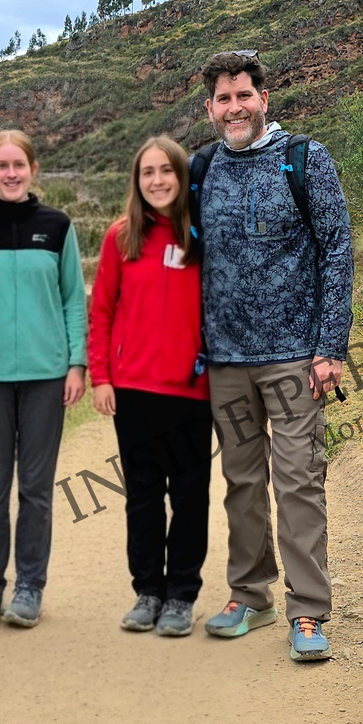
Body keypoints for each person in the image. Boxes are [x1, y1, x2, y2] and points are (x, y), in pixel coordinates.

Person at [191, 50, 354, 662]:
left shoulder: (304, 159)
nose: (234, 108)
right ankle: (250, 595)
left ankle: (308, 609)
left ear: (264, 99)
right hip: (226, 360)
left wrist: (329, 347)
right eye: (223, 99)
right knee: (241, 482)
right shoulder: (202, 168)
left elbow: (337, 249)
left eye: (244, 96)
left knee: (298, 480)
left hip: (294, 357)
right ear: (211, 108)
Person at [0, 130, 87, 630]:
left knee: (35, 489)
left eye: (19, 165)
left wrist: (76, 363)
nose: (11, 173)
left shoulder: (57, 226)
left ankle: (30, 587)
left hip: (46, 376)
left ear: (33, 169)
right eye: (2, 165)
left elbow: (72, 299)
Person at [88, 137, 213, 638]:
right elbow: (101, 312)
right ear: (136, 181)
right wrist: (101, 377)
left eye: (166, 171)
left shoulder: (201, 236)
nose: (157, 181)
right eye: (147, 172)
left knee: (190, 497)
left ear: (182, 177)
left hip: (191, 391)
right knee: (141, 496)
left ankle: (181, 595)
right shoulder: (121, 237)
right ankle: (148, 592)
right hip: (133, 390)